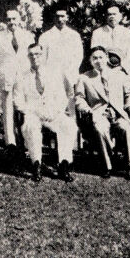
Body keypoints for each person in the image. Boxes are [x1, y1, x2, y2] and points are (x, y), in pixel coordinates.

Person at [14, 42, 77, 183]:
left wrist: (56, 111)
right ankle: (36, 164)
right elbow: (17, 100)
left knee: (68, 125)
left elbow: (62, 96)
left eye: (37, 54)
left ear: (43, 56)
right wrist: (31, 111)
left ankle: (64, 164)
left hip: (52, 113)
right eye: (31, 55)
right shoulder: (22, 76)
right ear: (27, 57)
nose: (34, 57)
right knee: (30, 127)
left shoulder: (53, 74)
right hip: (33, 114)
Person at [75, 46, 130, 179]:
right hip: (99, 114)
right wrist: (87, 109)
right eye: (95, 58)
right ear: (90, 61)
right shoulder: (84, 78)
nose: (98, 61)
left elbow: (129, 94)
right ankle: (107, 165)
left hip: (118, 114)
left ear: (107, 59)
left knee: (126, 129)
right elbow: (79, 98)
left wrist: (129, 105)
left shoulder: (119, 75)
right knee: (100, 128)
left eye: (101, 57)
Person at [0, 7, 33, 155]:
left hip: (23, 76)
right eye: (9, 19)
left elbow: (31, 56)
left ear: (19, 20)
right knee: (7, 109)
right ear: (5, 21)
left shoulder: (28, 36)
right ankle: (10, 143)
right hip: (5, 77)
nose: (11, 22)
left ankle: (25, 142)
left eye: (14, 19)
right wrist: (1, 72)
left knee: (22, 107)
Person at [38, 3, 84, 84]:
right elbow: (42, 59)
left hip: (70, 76)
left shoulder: (74, 36)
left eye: (62, 16)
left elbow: (78, 56)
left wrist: (70, 71)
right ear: (53, 18)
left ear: (67, 17)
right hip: (52, 77)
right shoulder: (45, 37)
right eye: (57, 16)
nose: (60, 19)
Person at [90, 1, 130, 74]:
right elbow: (95, 54)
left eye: (114, 14)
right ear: (105, 16)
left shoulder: (127, 33)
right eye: (109, 14)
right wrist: (105, 69)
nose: (112, 17)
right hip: (104, 71)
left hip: (123, 71)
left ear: (120, 16)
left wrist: (122, 68)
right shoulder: (97, 33)